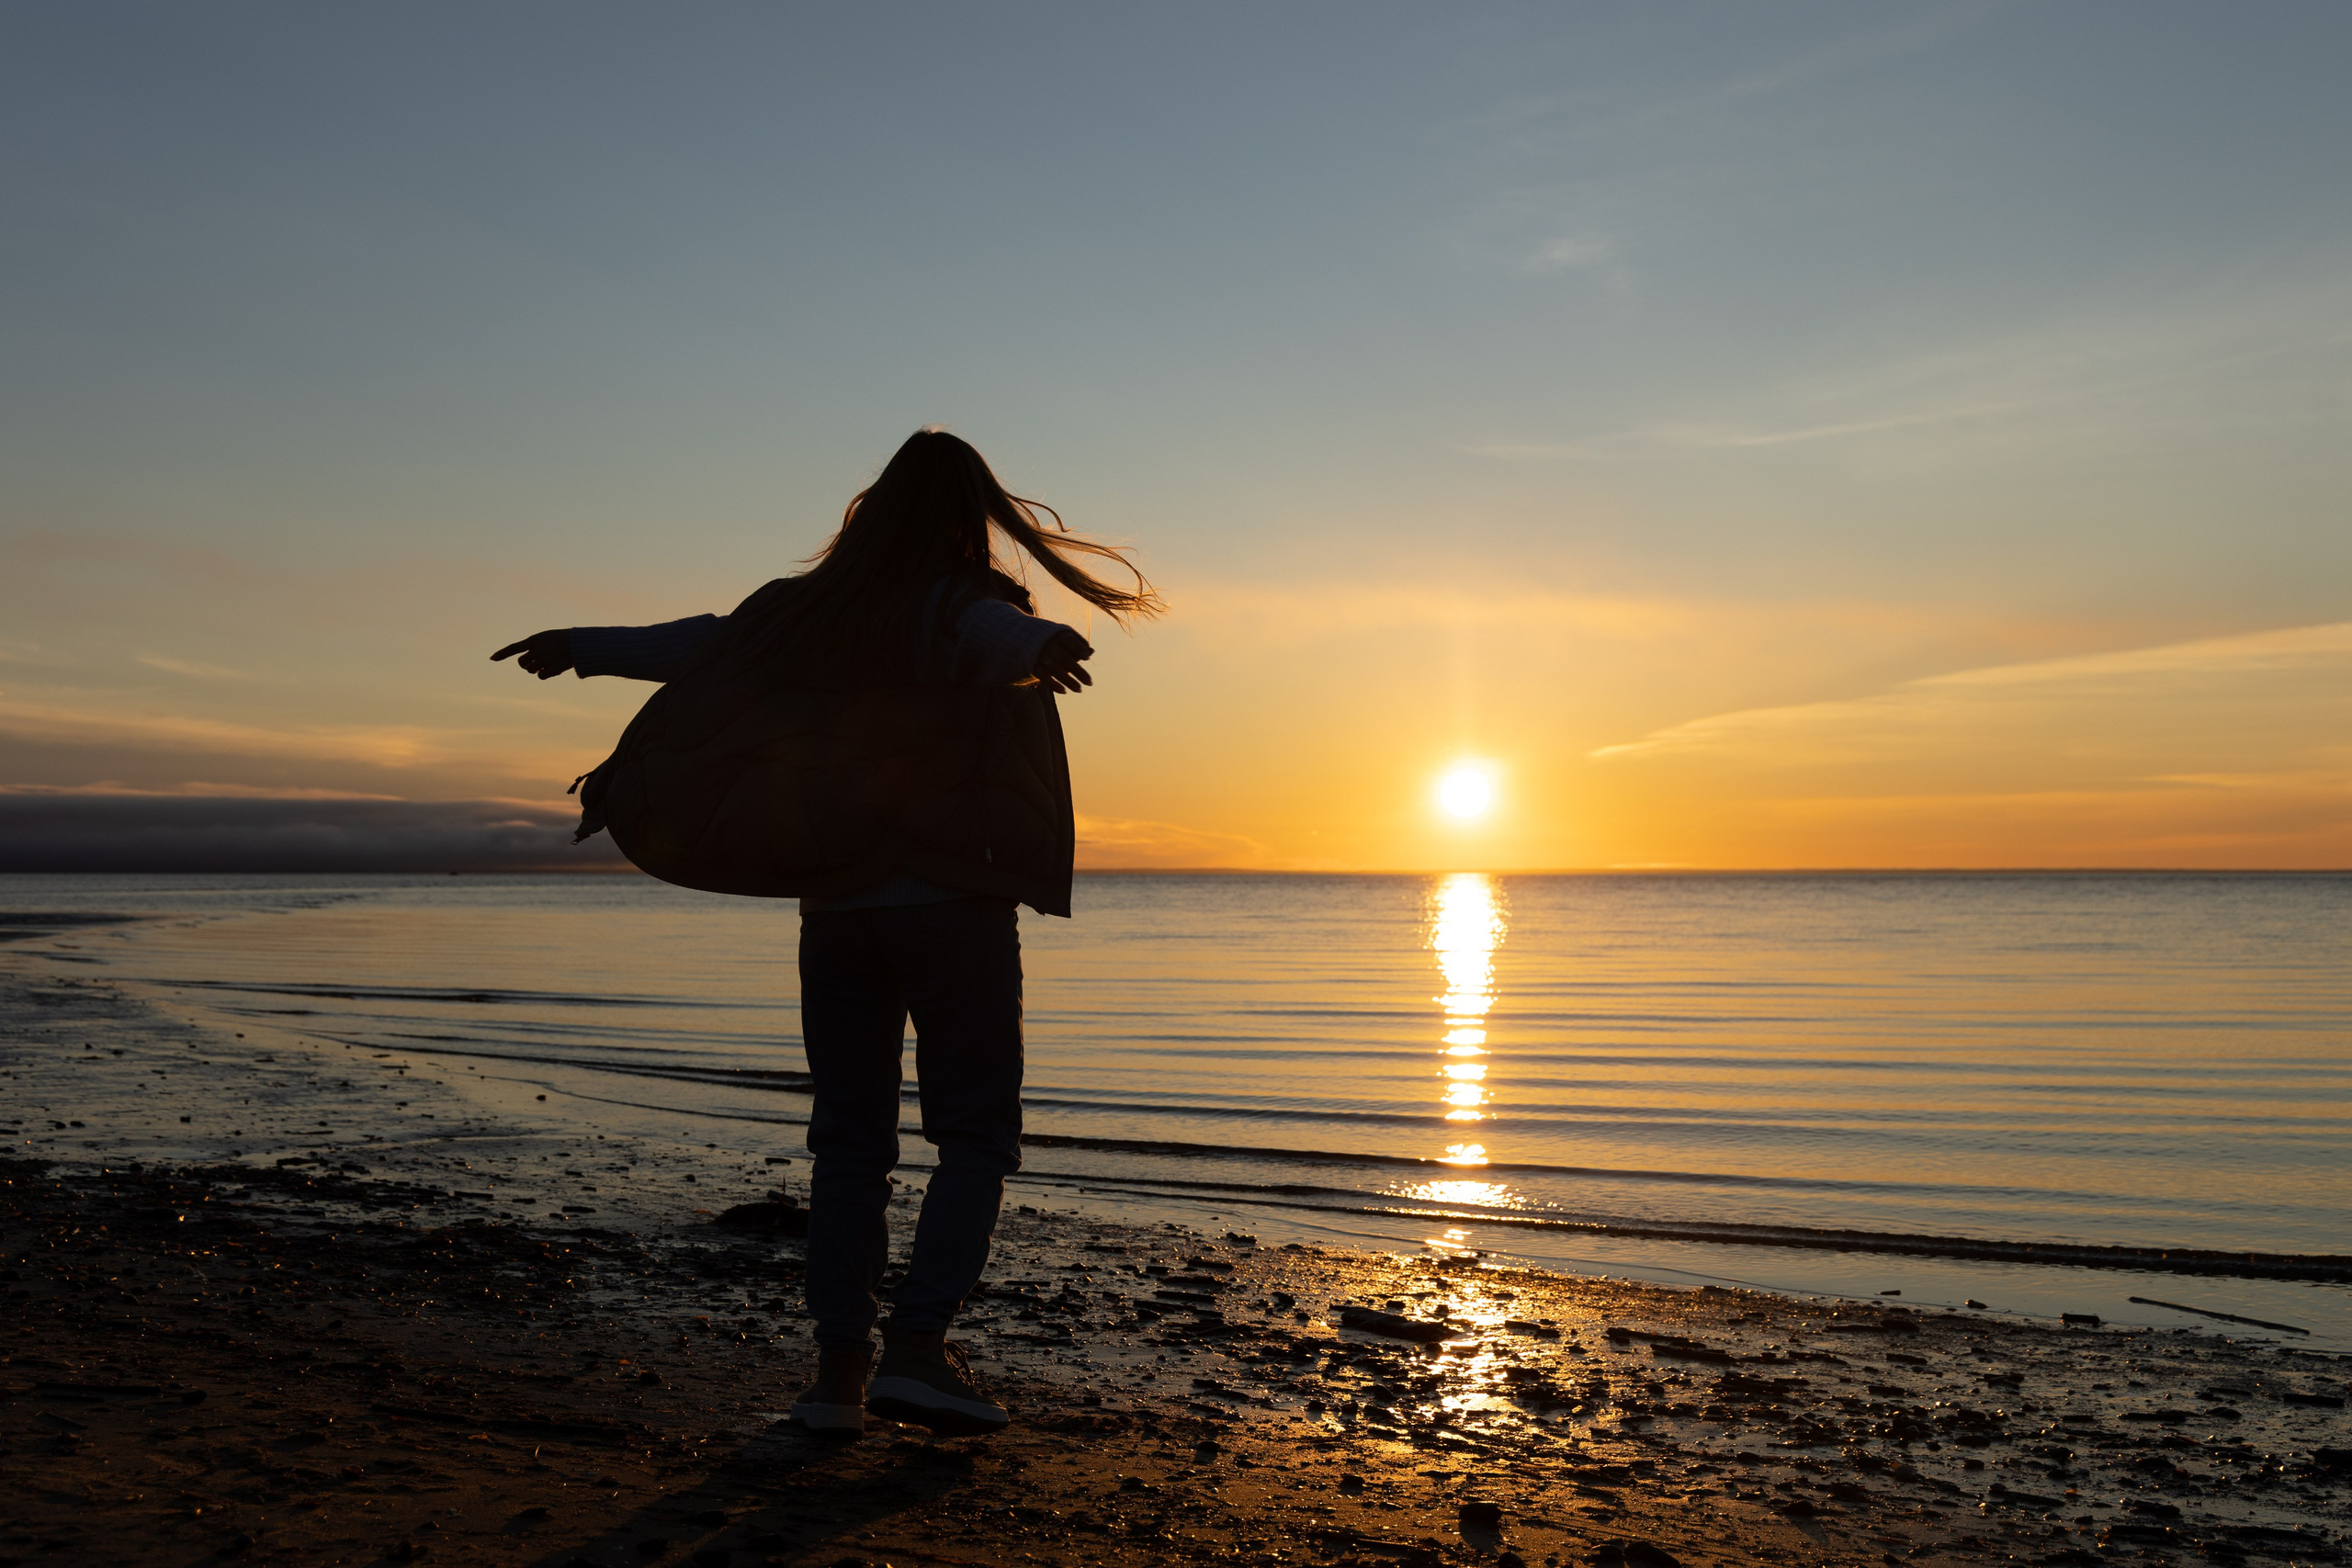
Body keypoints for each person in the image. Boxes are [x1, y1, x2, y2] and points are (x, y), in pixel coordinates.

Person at [492, 430, 1159, 1437]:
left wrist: (582, 646)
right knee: (973, 1136)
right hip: (947, 907)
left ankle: (837, 1378)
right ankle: (921, 1352)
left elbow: (702, 642)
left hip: (837, 912)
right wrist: (1045, 647)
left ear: (872, 507)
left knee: (849, 1145)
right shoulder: (956, 603)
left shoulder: (802, 612)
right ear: (970, 514)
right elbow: (984, 631)